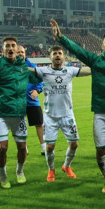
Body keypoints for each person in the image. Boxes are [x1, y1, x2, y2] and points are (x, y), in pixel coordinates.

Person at [51, 7, 105, 193]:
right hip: (101, 114)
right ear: (101, 45)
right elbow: (76, 49)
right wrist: (61, 37)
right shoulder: (94, 60)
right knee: (100, 150)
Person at [29, 45, 91, 182]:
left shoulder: (70, 70)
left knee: (74, 144)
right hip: (50, 115)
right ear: (50, 57)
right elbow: (29, 70)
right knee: (50, 146)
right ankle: (51, 170)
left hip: (67, 114)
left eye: (60, 53)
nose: (57, 55)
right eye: (54, 53)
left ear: (64, 57)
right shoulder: (43, 71)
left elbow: (87, 71)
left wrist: (99, 66)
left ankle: (66, 166)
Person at [0, 37, 34, 188]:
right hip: (1, 112)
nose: (10, 48)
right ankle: (3, 175)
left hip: (19, 113)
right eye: (7, 46)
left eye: (13, 46)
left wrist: (38, 89)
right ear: (2, 50)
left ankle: (20, 171)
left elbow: (39, 77)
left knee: (22, 148)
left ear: (17, 49)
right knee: (2, 147)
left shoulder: (23, 66)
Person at [19, 45, 45, 154]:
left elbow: (42, 81)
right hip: (19, 102)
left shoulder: (32, 67)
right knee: (21, 125)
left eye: (22, 52)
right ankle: (24, 147)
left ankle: (44, 147)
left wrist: (37, 91)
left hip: (32, 101)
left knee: (39, 124)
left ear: (25, 53)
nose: (20, 54)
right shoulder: (12, 68)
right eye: (18, 52)